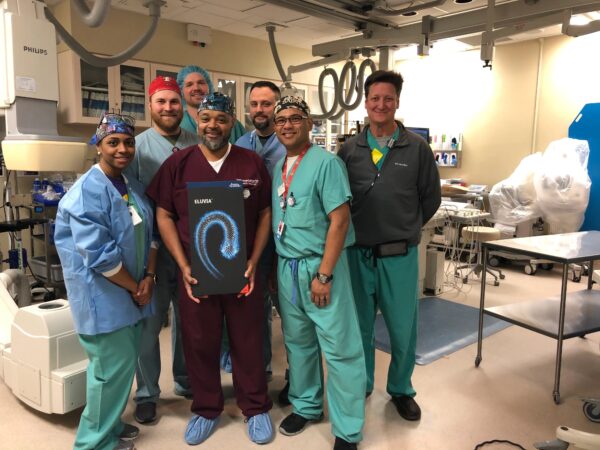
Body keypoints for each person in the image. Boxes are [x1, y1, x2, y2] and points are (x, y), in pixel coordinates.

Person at [146, 92, 274, 445]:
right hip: (197, 274)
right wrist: (184, 264)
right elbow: (164, 214)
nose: (212, 126)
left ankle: (255, 406)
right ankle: (206, 408)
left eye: (220, 119)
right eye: (206, 119)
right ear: (197, 122)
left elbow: (265, 213)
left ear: (232, 122)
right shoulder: (179, 164)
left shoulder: (251, 163)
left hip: (244, 273)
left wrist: (252, 261)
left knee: (248, 339)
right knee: (198, 341)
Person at [337, 70, 441, 421]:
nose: (381, 104)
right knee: (360, 325)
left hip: (399, 254)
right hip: (357, 253)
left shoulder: (417, 148)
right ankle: (363, 382)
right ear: (365, 103)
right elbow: (339, 201)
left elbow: (430, 198)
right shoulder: (350, 150)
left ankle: (400, 388)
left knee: (402, 327)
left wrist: (406, 225)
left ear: (397, 102)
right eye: (375, 98)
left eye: (388, 98)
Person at [54, 113, 157, 450]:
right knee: (107, 373)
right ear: (98, 146)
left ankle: (110, 425)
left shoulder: (130, 186)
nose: (122, 148)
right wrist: (137, 286)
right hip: (103, 298)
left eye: (128, 142)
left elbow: (150, 234)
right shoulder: (86, 192)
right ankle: (93, 443)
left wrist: (149, 277)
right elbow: (100, 257)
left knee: (121, 370)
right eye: (113, 142)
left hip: (130, 293)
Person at [272, 96, 366, 450]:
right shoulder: (278, 167)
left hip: (320, 267)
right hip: (287, 268)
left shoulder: (326, 164)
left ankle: (347, 430)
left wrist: (324, 275)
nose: (286, 125)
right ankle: (307, 405)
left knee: (340, 350)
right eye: (281, 119)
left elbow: (339, 221)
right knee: (298, 345)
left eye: (295, 118)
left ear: (308, 123)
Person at [124, 76, 199, 424]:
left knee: (189, 322)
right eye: (161, 102)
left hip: (191, 250)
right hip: (151, 252)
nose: (168, 108)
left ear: (182, 104)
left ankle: (185, 381)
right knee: (149, 325)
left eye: (173, 102)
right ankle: (147, 393)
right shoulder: (136, 148)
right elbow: (132, 204)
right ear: (150, 106)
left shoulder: (197, 143)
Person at [235, 80, 286, 390]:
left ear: (276, 106)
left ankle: (300, 376)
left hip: (285, 243)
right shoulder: (240, 144)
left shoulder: (290, 143)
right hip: (250, 242)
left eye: (266, 104)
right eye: (254, 104)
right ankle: (262, 368)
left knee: (291, 314)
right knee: (255, 313)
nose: (259, 110)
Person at [176, 65, 246, 143]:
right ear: (181, 91)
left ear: (209, 87)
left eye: (201, 83)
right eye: (189, 84)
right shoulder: (178, 124)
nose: (196, 88)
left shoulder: (232, 124)